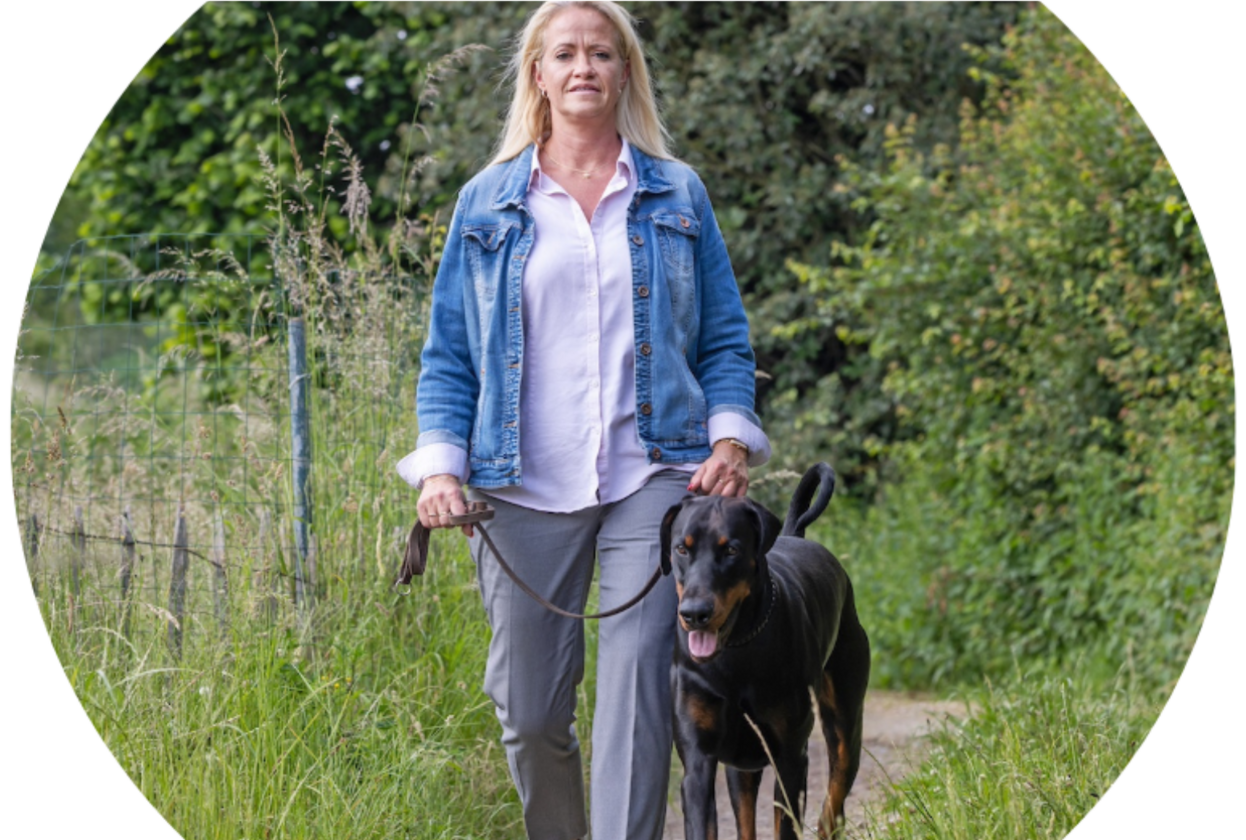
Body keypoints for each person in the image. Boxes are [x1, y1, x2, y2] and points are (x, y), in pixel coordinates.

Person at [396, 2, 770, 837]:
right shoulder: (486, 203)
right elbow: (449, 353)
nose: (583, 68)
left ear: (625, 71)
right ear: (538, 74)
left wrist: (729, 438)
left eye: (602, 53)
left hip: (656, 474)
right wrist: (441, 468)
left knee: (637, 695)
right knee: (529, 714)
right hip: (520, 483)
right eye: (563, 54)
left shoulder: (677, 193)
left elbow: (724, 337)